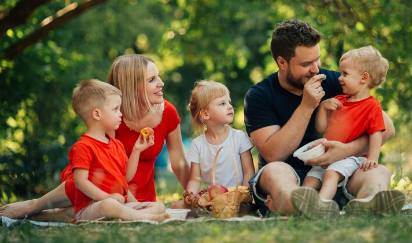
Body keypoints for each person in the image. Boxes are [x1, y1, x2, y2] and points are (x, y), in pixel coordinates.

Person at [244, 19, 405, 218]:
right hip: (289, 175)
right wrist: (307, 106)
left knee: (378, 171)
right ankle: (301, 204)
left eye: (317, 59)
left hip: (337, 174)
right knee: (274, 171)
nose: (315, 69)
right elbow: (274, 154)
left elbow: (387, 128)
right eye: (306, 64)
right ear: (282, 62)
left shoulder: (335, 81)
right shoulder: (259, 95)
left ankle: (368, 202)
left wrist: (346, 150)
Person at [0, 54, 190, 219]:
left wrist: (193, 195)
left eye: (159, 76)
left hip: (134, 196)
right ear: (132, 86)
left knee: (79, 213)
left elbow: (179, 162)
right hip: (99, 188)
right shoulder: (111, 116)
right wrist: (110, 197)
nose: (161, 83)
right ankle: (35, 206)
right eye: (152, 79)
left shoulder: (168, 112)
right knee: (86, 208)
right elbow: (96, 170)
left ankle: (46, 213)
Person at [300, 46, 390, 214]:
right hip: (327, 154)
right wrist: (322, 108)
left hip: (351, 158)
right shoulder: (338, 100)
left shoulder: (371, 106)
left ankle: (322, 205)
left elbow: (376, 133)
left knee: (330, 175)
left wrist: (373, 157)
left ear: (364, 78)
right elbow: (321, 128)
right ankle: (303, 202)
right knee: (312, 177)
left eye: (345, 74)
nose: (340, 78)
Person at [61, 79, 166, 222]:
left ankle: (136, 214)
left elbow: (126, 177)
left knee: (159, 206)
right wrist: (107, 197)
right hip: (91, 207)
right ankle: (142, 217)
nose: (120, 114)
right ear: (97, 114)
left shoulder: (116, 144)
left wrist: (136, 150)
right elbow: (80, 182)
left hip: (118, 203)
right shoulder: (83, 146)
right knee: (109, 205)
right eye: (115, 109)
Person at [182, 81, 255, 207]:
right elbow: (195, 179)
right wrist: (191, 195)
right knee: (178, 206)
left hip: (237, 197)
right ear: (205, 114)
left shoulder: (239, 137)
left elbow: (249, 172)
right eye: (222, 103)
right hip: (212, 200)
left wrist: (242, 196)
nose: (229, 106)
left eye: (229, 102)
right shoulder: (197, 145)